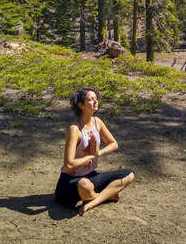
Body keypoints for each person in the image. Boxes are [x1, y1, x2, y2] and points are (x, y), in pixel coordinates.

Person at [54, 86, 134, 215]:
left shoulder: (97, 122)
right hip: (70, 183)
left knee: (129, 175)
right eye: (91, 100)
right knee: (85, 185)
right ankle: (104, 195)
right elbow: (68, 165)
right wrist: (90, 156)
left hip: (91, 176)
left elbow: (114, 144)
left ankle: (92, 201)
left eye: (96, 99)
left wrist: (98, 153)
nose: (96, 101)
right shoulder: (74, 129)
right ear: (81, 105)